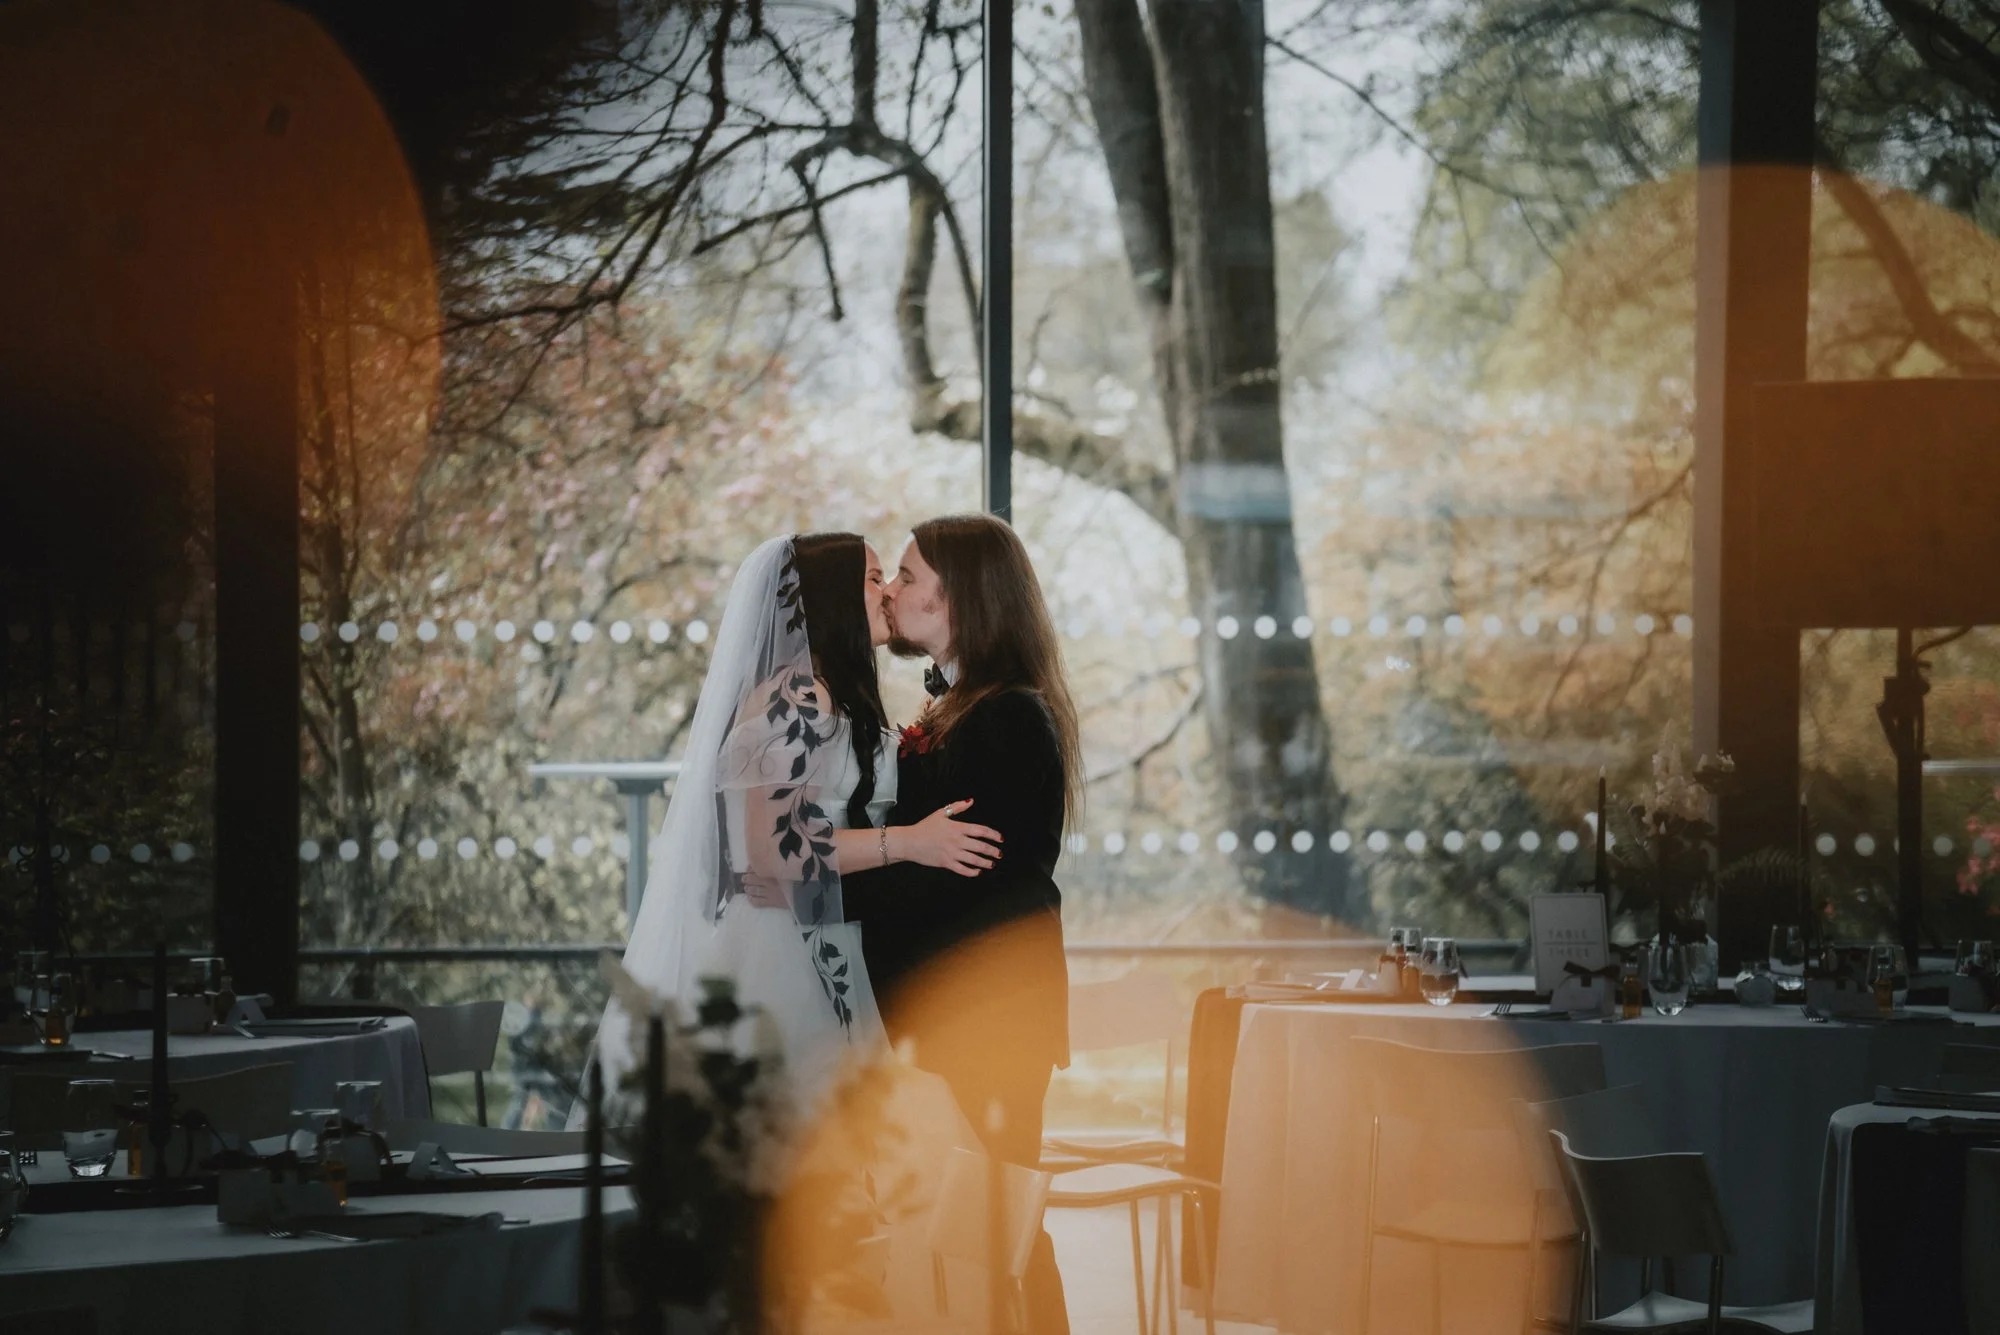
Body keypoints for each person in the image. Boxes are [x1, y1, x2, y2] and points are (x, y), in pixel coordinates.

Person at [582, 532, 1001, 1117]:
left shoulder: (830, 696)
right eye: (874, 578)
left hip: (827, 929)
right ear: (829, 597)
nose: (886, 594)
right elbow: (773, 846)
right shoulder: (794, 698)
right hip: (780, 947)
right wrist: (910, 842)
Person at [841, 513, 1082, 1335]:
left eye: (907, 576)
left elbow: (968, 881)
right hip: (965, 1012)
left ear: (960, 598)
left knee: (1000, 1224)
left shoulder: (1008, 717)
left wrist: (834, 894)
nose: (892, 589)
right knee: (977, 1226)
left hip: (991, 1015)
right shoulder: (967, 706)